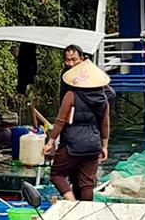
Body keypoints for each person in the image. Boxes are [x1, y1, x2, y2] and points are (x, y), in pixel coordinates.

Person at [43, 60, 110, 201]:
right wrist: (104, 146)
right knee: (87, 184)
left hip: (72, 143)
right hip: (93, 144)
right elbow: (105, 125)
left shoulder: (71, 95)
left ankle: (71, 202)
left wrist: (50, 142)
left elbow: (60, 120)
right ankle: (85, 211)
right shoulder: (103, 99)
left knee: (57, 174)